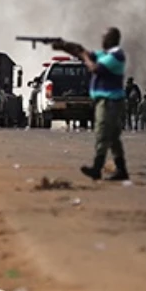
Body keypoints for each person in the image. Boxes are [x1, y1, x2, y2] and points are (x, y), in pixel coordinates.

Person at [58, 28, 130, 182]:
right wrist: (65, 46)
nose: (101, 39)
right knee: (113, 138)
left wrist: (84, 55)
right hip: (107, 101)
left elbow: (95, 68)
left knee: (102, 133)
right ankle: (121, 169)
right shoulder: (105, 55)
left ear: (111, 39)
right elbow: (83, 52)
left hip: (110, 101)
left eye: (104, 37)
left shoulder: (116, 55)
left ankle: (97, 168)